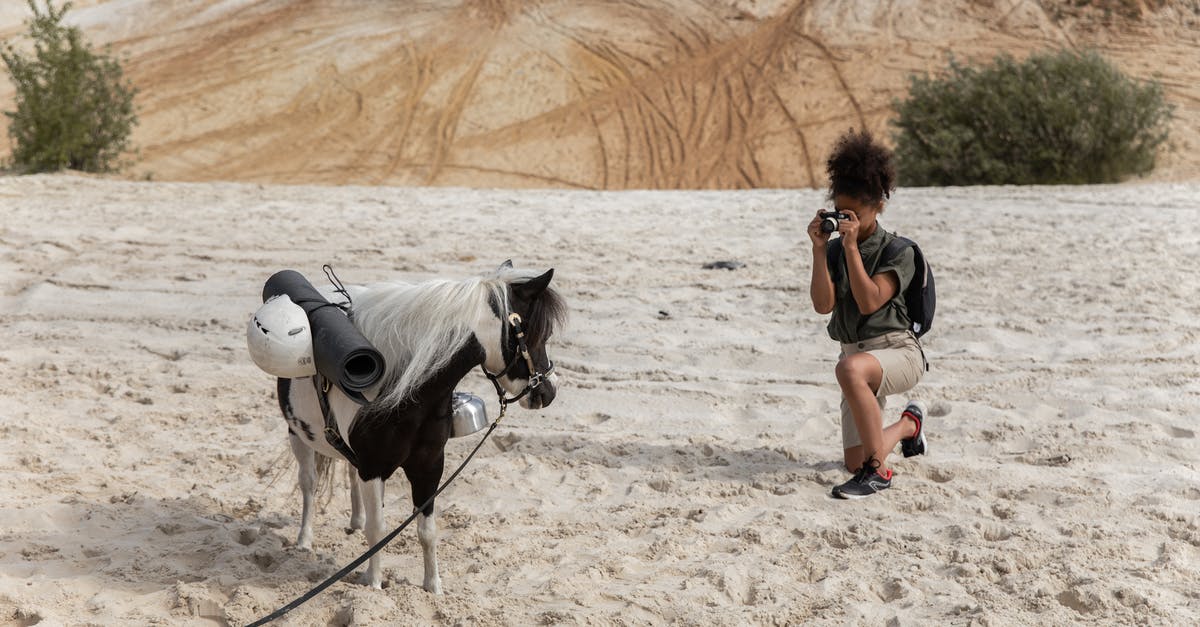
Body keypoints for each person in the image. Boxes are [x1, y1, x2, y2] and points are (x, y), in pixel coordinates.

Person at [807, 128, 928, 499]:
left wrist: (852, 250)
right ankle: (910, 425)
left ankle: (879, 474)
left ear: (879, 205)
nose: (848, 223)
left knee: (849, 369)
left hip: (896, 353)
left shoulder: (899, 252)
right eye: (841, 214)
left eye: (854, 215)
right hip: (856, 357)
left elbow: (869, 301)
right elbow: (823, 305)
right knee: (853, 460)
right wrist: (818, 250)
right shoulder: (834, 250)